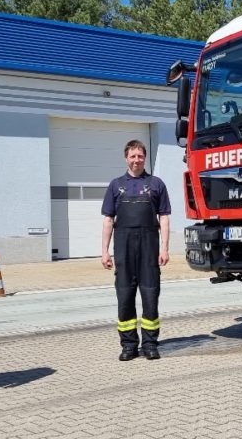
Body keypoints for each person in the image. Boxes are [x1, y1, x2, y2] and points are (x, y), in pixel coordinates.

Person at [101, 140, 171, 361]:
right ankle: (129, 345)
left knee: (150, 295)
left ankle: (150, 344)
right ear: (126, 158)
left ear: (145, 158)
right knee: (125, 296)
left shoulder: (156, 184)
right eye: (132, 156)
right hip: (123, 248)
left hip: (149, 248)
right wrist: (104, 251)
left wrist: (165, 248)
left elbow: (165, 218)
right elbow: (108, 220)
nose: (136, 160)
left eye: (140, 156)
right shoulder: (116, 185)